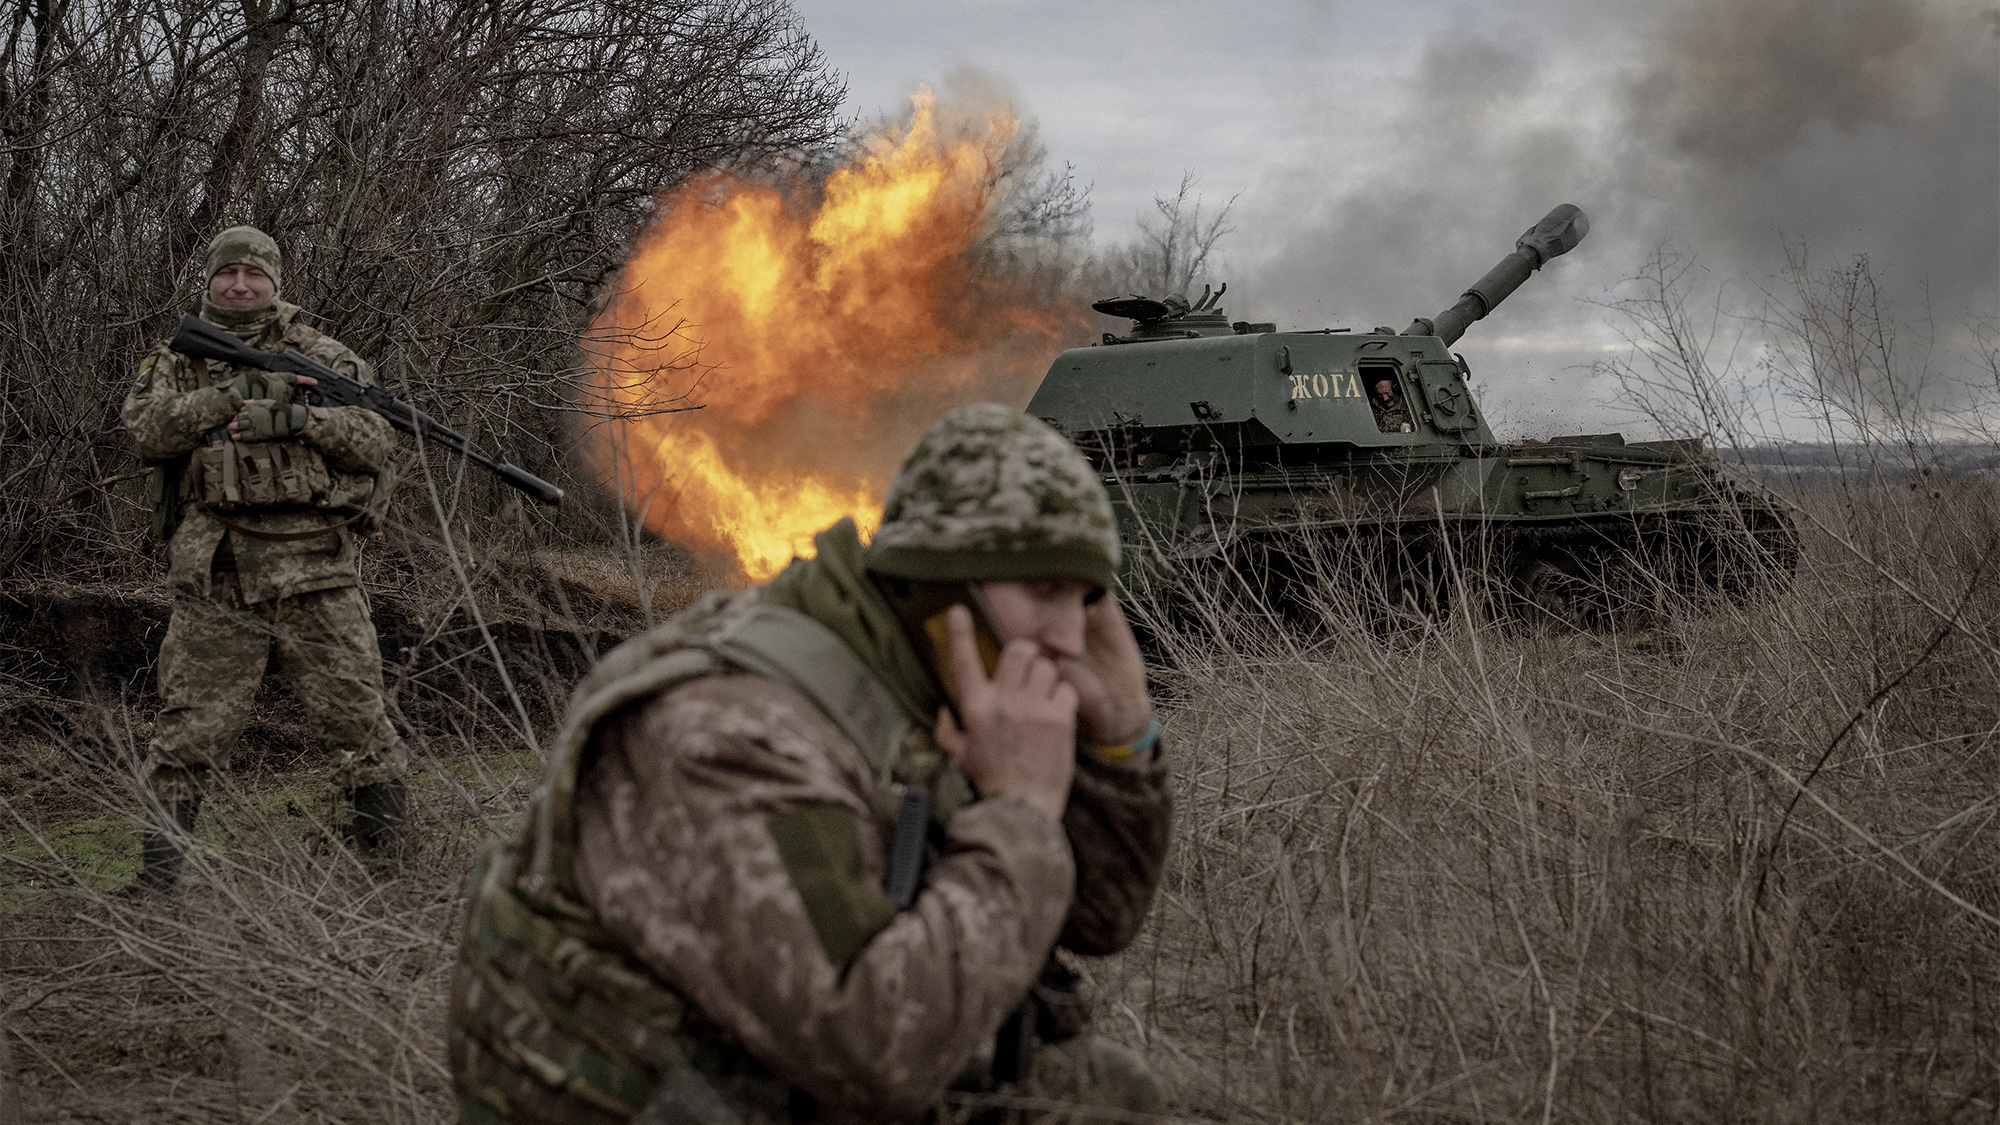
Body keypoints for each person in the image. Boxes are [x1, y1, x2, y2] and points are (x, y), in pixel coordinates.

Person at [450, 403, 1174, 1124]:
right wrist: (1018, 810)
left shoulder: (929, 673)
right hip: (668, 1094)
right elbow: (873, 1055)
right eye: (1043, 591)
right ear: (943, 583)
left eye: (1086, 597)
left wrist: (1120, 736)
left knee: (1099, 1089)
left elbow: (1099, 917)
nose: (1071, 635)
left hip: (769, 1076)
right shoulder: (732, 731)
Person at [122, 225, 409, 891]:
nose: (242, 284)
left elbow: (377, 439)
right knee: (188, 732)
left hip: (318, 568)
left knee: (360, 718)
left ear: (276, 282)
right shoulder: (175, 359)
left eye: (256, 274)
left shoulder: (322, 354)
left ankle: (392, 874)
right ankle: (154, 885)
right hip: (217, 572)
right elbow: (145, 430)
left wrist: (302, 420)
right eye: (229, 273)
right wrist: (232, 398)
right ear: (212, 281)